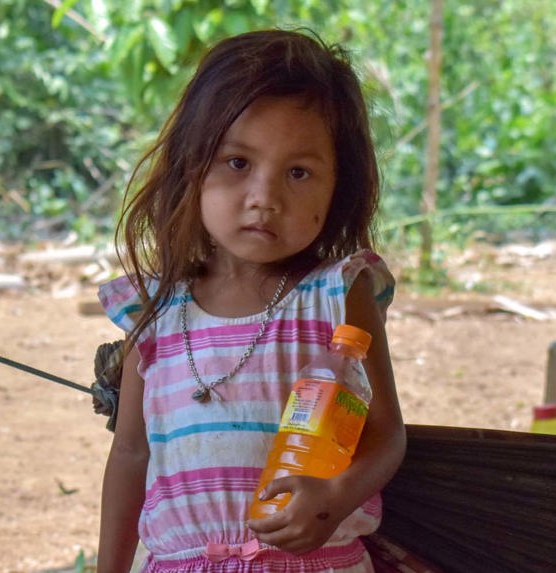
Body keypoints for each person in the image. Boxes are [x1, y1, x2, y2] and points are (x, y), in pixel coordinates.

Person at [96, 28, 406, 573]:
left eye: (298, 173)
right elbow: (130, 454)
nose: (265, 198)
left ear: (338, 188)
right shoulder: (156, 312)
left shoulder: (337, 294)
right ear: (191, 166)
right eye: (238, 162)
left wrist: (331, 500)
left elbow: (384, 435)